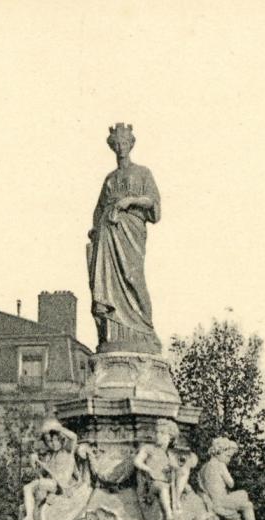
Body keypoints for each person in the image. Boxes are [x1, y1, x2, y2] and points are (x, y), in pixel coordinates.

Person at [86, 123, 161, 351]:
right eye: (117, 144)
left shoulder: (143, 173)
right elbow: (98, 209)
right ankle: (112, 334)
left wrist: (130, 201)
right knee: (106, 284)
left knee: (133, 277)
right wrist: (96, 229)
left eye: (125, 144)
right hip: (108, 233)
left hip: (131, 230)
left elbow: (154, 204)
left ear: (131, 145)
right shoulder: (109, 178)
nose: (121, 148)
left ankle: (146, 329)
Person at [23, 419, 90, 520]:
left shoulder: (67, 451)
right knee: (29, 488)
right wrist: (34, 462)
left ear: (60, 439)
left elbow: (74, 437)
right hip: (53, 485)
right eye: (49, 441)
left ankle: (29, 516)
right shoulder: (51, 457)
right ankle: (30, 516)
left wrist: (58, 428)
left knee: (30, 487)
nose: (52, 444)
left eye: (55, 440)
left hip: (62, 486)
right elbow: (41, 474)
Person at [196, 437, 264, 520]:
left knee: (243, 496)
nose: (229, 459)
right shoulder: (220, 465)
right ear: (219, 452)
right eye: (228, 456)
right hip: (220, 501)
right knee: (247, 501)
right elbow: (231, 483)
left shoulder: (203, 468)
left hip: (211, 501)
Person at [134, 421, 187, 520]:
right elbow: (137, 461)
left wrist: (176, 467)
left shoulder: (169, 453)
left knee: (181, 474)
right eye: (157, 432)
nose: (158, 435)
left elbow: (177, 469)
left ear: (170, 437)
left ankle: (176, 500)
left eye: (162, 433)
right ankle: (168, 513)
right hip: (151, 484)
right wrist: (148, 469)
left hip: (166, 481)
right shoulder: (148, 448)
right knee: (162, 487)